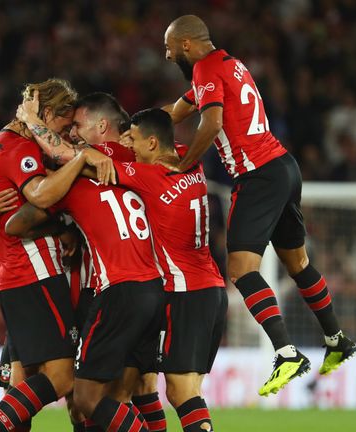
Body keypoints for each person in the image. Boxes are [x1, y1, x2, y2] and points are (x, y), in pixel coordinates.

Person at [162, 15, 356, 396]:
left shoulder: (203, 68)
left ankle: (287, 354)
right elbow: (177, 111)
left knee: (240, 268)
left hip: (258, 175)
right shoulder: (229, 64)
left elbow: (212, 121)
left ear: (186, 44)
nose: (167, 56)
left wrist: (183, 165)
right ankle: (337, 339)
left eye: (169, 48)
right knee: (298, 263)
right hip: (284, 166)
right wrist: (135, 129)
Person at [5, 108, 166, 432]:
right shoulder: (128, 158)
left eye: (78, 126)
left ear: (100, 125)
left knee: (84, 399)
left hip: (114, 291)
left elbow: (16, 224)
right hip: (156, 288)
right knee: (132, 390)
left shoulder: (74, 178)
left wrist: (60, 221)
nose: (74, 133)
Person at [0, 78, 112, 432]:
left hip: (14, 275)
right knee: (65, 379)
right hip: (35, 272)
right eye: (64, 126)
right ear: (47, 114)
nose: (65, 137)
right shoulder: (19, 149)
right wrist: (79, 160)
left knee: (22, 387)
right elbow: (40, 195)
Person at [101, 108, 226, 432]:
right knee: (170, 386)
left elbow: (89, 162)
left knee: (180, 390)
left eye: (136, 142)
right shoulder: (189, 157)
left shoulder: (150, 176)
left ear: (154, 143)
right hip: (211, 287)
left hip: (186, 293)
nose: (132, 147)